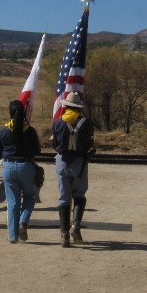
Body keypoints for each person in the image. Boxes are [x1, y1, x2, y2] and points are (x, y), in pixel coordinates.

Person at [52, 92, 94, 247]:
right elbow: (89, 143)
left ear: (66, 106)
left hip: (62, 161)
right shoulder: (87, 123)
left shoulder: (57, 122)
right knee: (79, 195)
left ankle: (64, 236)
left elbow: (55, 144)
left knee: (63, 197)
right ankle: (75, 225)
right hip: (79, 163)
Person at [0, 100, 41, 244]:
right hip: (26, 166)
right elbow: (37, 151)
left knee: (13, 202)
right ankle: (23, 222)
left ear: (10, 112)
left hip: (8, 167)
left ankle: (12, 236)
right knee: (29, 197)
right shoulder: (30, 130)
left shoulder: (2, 131)